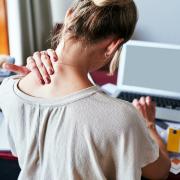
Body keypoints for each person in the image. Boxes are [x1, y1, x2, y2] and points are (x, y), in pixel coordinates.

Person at [0, 0, 170, 179]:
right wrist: (149, 124)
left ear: (68, 16)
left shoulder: (8, 90)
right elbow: (160, 172)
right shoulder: (124, 117)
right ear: (113, 46)